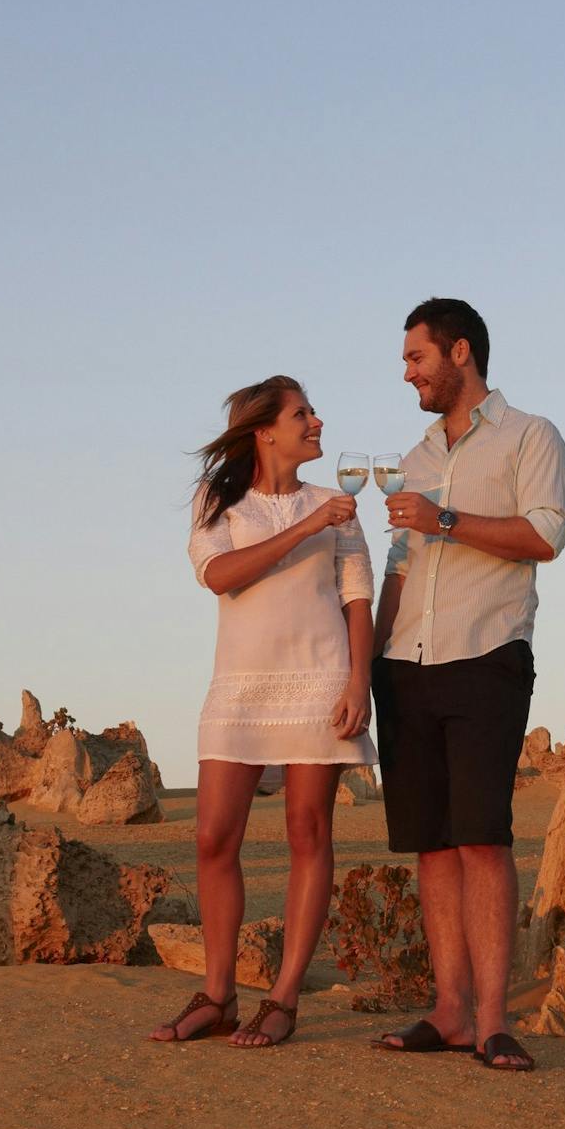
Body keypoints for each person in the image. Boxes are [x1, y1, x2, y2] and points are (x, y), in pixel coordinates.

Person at [371, 298, 565, 1070]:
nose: (408, 371)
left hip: (487, 654)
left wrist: (444, 519)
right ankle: (448, 1011)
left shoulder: (531, 436)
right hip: (406, 663)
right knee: (431, 845)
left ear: (460, 352)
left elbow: (545, 534)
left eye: (417, 356)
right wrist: (370, 656)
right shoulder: (416, 454)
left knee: (483, 838)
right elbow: (399, 561)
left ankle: (492, 1022)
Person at [149, 375, 377, 1048]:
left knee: (310, 831)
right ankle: (218, 994)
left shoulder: (340, 505)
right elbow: (220, 576)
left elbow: (357, 596)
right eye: (302, 413)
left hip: (321, 680)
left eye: (311, 411)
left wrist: (358, 683)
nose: (316, 421)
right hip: (241, 688)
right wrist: (310, 525)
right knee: (213, 836)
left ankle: (281, 999)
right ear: (265, 430)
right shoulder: (219, 502)